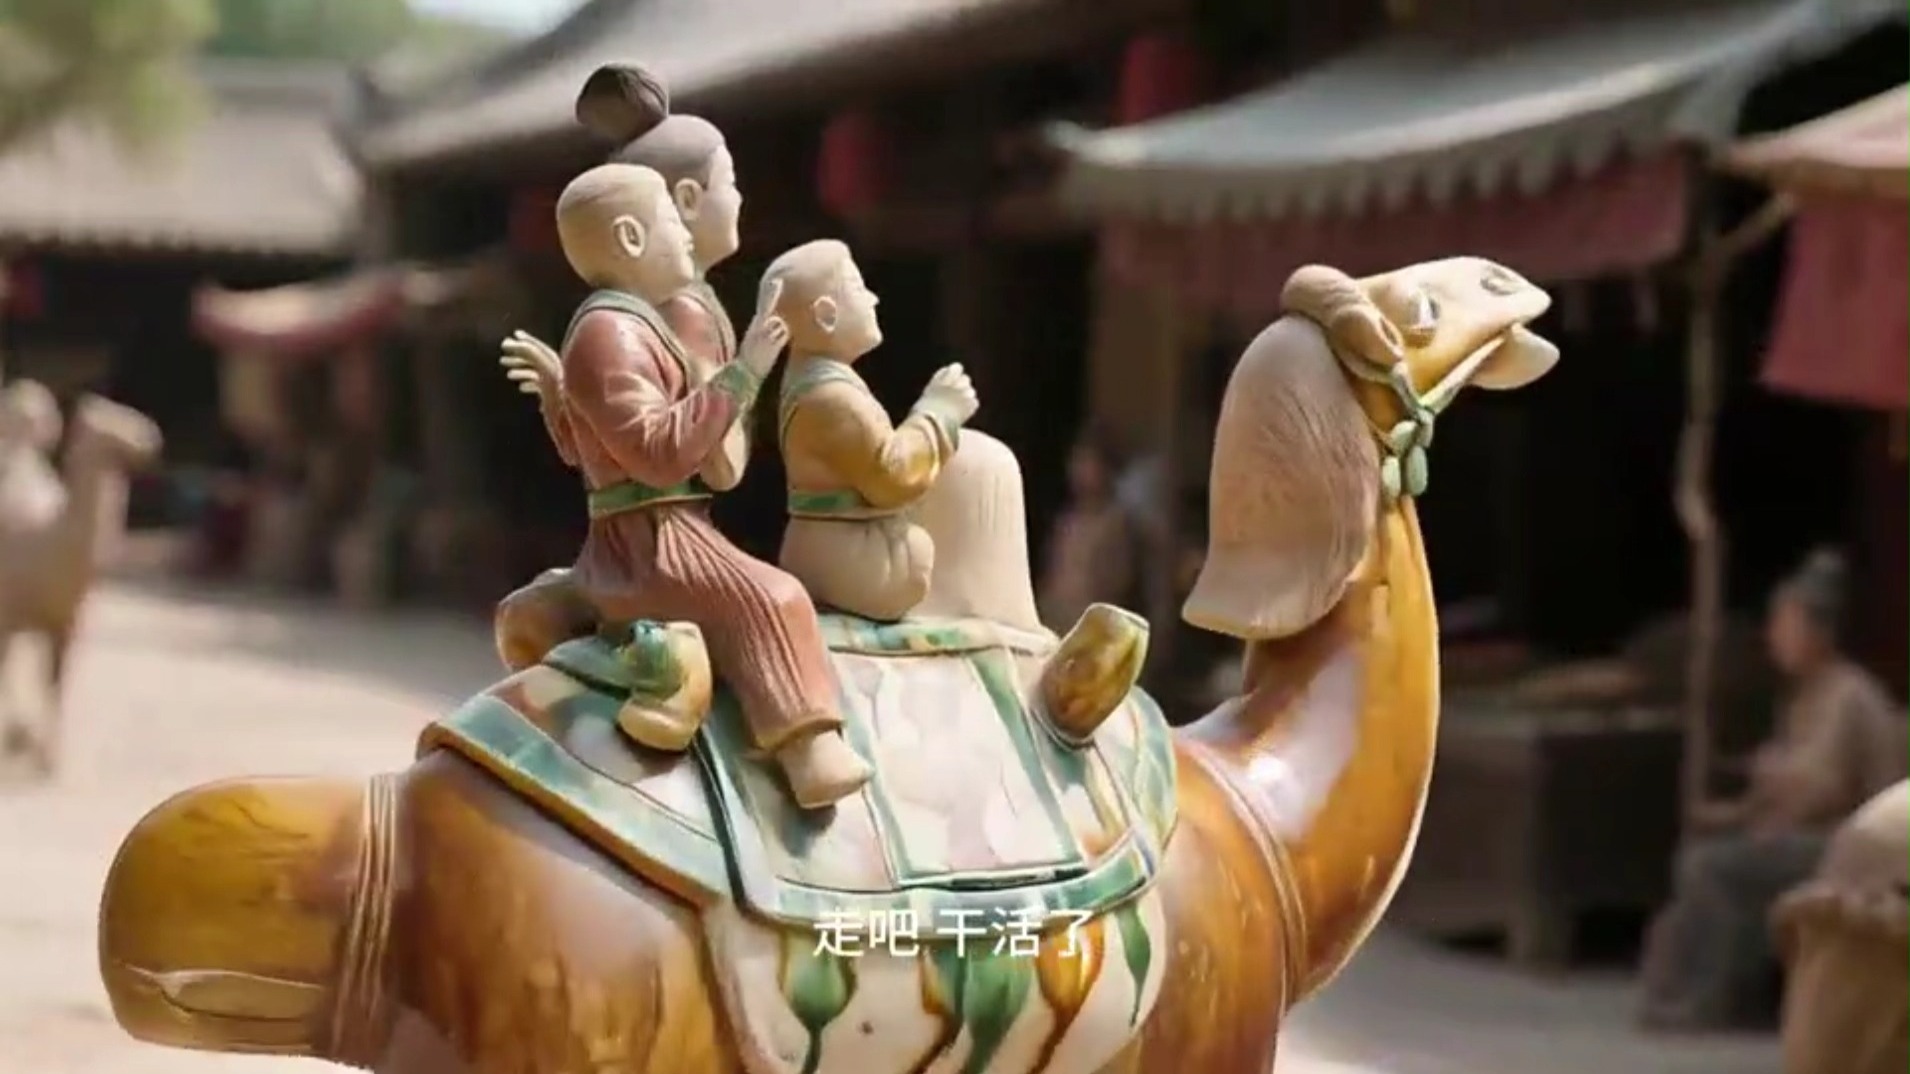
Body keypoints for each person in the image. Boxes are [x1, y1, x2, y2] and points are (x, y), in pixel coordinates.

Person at [509, 161, 871, 809]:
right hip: (651, 543)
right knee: (776, 596)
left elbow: (593, 445)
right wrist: (746, 372)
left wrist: (558, 396)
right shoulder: (609, 335)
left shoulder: (634, 326)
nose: (685, 233)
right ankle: (807, 747)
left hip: (665, 529)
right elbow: (659, 455)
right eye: (672, 221)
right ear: (630, 238)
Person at [1640, 548, 1907, 1029]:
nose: (1775, 637)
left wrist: (1772, 781)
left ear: (1818, 632)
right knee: (1702, 856)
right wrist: (1738, 811)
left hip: (1851, 845)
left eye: (1786, 624)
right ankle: (1678, 988)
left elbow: (1825, 789)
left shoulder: (1849, 695)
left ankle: (1711, 997)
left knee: (1711, 866)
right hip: (1810, 833)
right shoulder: (1804, 696)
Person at [767, 239, 977, 621]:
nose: (873, 298)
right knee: (928, 545)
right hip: (846, 556)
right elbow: (892, 476)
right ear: (826, 315)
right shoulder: (830, 398)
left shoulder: (818, 382)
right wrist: (938, 413)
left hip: (834, 544)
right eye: (858, 287)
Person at [1036, 430, 1140, 632]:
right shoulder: (1067, 520)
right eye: (1077, 462)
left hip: (1092, 625)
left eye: (1087, 463)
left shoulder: (1115, 523)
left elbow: (1117, 583)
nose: (1079, 471)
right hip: (1054, 618)